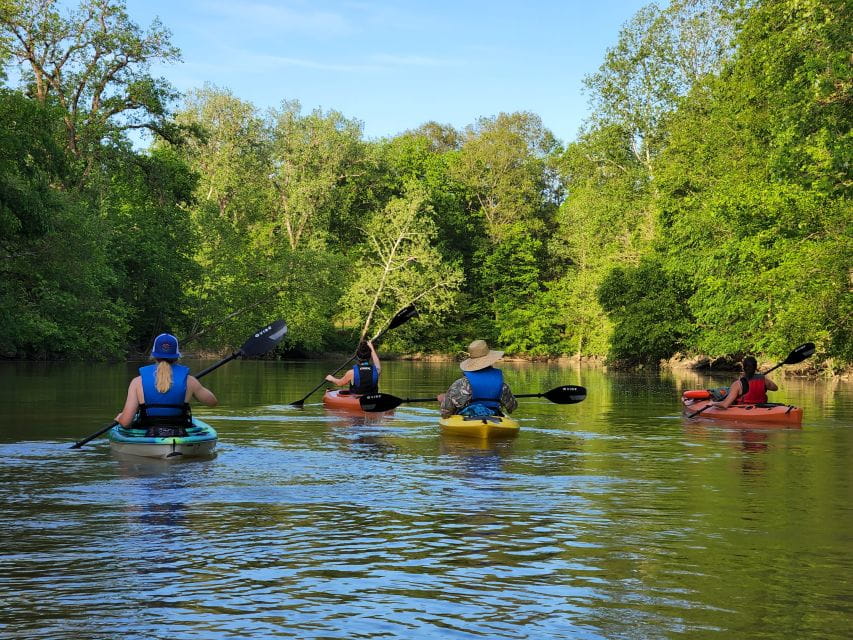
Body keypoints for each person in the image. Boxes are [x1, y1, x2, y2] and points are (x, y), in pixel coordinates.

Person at [115, 333, 218, 432]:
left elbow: (126, 422)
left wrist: (121, 418)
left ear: (154, 355)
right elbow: (212, 402)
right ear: (177, 356)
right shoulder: (190, 381)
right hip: (180, 432)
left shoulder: (137, 382)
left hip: (148, 435)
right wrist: (194, 389)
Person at [438, 339, 517, 418]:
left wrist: (443, 400)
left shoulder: (461, 384)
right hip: (494, 419)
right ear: (491, 360)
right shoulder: (502, 385)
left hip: (468, 422)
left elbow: (445, 413)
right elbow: (512, 407)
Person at [712, 355, 778, 409]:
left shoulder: (737, 384)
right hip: (761, 407)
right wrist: (761, 377)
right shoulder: (764, 380)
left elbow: (725, 405)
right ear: (755, 367)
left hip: (744, 408)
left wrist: (713, 404)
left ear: (743, 368)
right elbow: (775, 388)